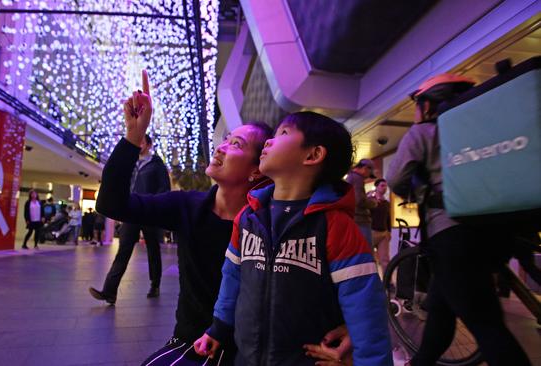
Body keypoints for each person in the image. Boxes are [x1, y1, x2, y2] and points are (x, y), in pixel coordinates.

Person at [90, 71, 350, 365]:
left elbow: (340, 280)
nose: (221, 147)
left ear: (257, 169)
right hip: (195, 342)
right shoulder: (188, 205)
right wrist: (133, 135)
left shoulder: (274, 222)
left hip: (253, 352)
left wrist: (351, 329)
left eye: (236, 144)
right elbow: (111, 204)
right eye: (225, 140)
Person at [194, 111, 392, 365]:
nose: (269, 141)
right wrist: (219, 327)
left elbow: (365, 304)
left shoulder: (336, 225)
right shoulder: (248, 217)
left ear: (313, 155)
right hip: (247, 358)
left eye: (283, 134)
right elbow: (232, 275)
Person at [386, 73, 530, 365]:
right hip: (494, 232)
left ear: (427, 106)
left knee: (487, 325)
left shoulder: (424, 132)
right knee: (440, 310)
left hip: (451, 234)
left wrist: (416, 190)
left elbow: (395, 178)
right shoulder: (483, 131)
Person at [90, 134, 171, 301]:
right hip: (131, 211)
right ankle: (109, 291)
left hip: (149, 211)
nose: (139, 145)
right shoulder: (132, 163)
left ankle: (155, 284)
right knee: (123, 250)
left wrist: (156, 208)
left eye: (142, 142)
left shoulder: (157, 165)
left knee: (153, 250)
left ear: (149, 145)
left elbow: (164, 188)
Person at [346, 159, 377, 246]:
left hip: (352, 218)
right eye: (369, 174)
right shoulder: (357, 178)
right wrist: (373, 202)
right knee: (366, 250)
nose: (367, 177)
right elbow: (359, 200)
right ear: (365, 168)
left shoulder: (350, 177)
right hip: (360, 220)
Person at [369, 178, 391, 274]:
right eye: (382, 186)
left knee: (385, 260)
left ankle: (388, 282)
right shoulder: (370, 201)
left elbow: (388, 218)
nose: (384, 188)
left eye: (385, 186)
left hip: (383, 233)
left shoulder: (386, 203)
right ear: (376, 187)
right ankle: (373, 282)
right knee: (370, 260)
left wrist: (389, 231)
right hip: (371, 232)